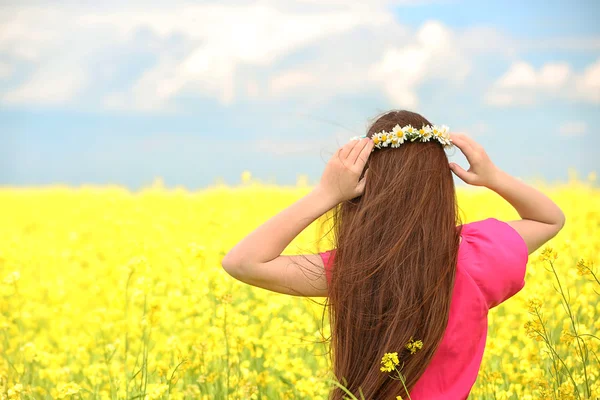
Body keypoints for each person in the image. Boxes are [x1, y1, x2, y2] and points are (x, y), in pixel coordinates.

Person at [221, 110, 565, 399]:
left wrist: (326, 194)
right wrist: (493, 177)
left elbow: (242, 262)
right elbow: (549, 219)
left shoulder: (354, 269)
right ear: (442, 184)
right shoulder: (480, 254)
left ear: (367, 187)